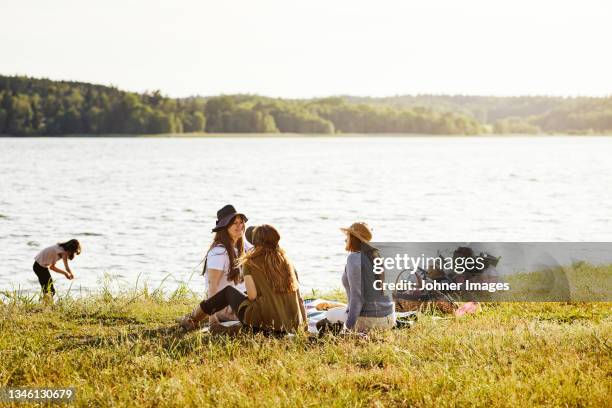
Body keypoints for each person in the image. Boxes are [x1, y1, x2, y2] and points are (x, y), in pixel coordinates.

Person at [178, 224, 307, 334]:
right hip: (293, 325)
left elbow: (252, 296)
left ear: (256, 242)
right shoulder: (287, 262)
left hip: (264, 326)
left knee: (228, 292)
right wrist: (304, 327)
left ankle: (193, 319)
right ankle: (195, 317)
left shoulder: (251, 262)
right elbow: (300, 299)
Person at [341, 222, 395, 333]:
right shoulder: (376, 254)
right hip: (389, 317)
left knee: (330, 314)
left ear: (353, 238)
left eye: (347, 236)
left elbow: (357, 298)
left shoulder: (354, 258)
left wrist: (348, 328)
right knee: (341, 309)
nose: (345, 239)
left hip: (371, 321)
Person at [202, 204, 251, 324]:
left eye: (241, 222)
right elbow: (212, 285)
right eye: (235, 223)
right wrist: (212, 317)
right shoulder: (219, 252)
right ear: (225, 226)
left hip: (241, 300)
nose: (240, 226)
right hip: (225, 307)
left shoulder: (245, 246)